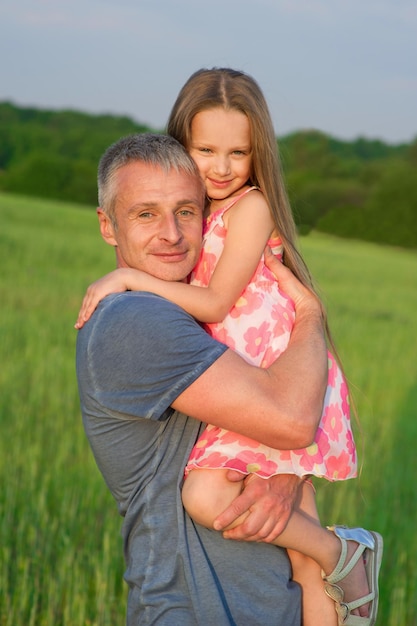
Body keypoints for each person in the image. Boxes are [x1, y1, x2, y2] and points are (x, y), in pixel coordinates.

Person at [76, 70, 382, 626]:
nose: (220, 167)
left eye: (237, 151)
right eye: (205, 150)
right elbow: (286, 419)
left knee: (305, 561)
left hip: (277, 375)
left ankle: (344, 558)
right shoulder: (136, 322)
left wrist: (129, 278)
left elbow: (218, 306)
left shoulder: (245, 210)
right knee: (235, 510)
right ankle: (343, 553)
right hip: (193, 604)